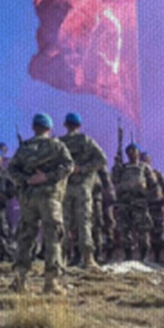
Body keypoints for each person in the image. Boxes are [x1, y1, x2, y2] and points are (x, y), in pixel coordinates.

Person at [7, 113, 74, 295]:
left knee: (26, 238)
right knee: (53, 238)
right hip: (50, 197)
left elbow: (11, 170)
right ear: (49, 128)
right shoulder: (56, 145)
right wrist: (47, 177)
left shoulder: (24, 148)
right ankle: (51, 283)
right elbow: (69, 165)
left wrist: (27, 180)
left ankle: (20, 280)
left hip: (28, 199)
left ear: (33, 127)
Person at [59, 112, 108, 269]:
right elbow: (102, 159)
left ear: (65, 125)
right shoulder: (85, 141)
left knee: (64, 223)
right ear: (79, 126)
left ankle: (62, 259)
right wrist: (83, 169)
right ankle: (88, 259)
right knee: (84, 222)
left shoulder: (60, 143)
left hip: (65, 188)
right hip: (82, 187)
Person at [112, 143, 157, 262]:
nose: (132, 153)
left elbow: (153, 183)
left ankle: (144, 255)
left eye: (134, 150)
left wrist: (149, 195)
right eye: (129, 151)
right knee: (124, 229)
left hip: (139, 201)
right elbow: (114, 179)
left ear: (138, 152)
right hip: (124, 202)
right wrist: (116, 165)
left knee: (142, 229)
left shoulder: (144, 167)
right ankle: (128, 255)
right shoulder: (122, 167)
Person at [141, 152, 164, 262]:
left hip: (157, 205)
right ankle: (144, 255)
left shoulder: (157, 174)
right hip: (143, 206)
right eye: (142, 159)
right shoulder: (137, 175)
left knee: (158, 231)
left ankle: (158, 256)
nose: (144, 162)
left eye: (146, 159)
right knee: (144, 231)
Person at [94, 167, 116, 263]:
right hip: (97, 202)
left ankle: (110, 253)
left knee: (108, 228)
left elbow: (110, 192)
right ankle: (98, 253)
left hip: (107, 203)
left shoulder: (107, 178)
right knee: (97, 227)